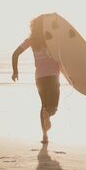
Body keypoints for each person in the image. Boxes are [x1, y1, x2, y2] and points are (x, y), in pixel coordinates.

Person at [11, 14, 61, 144]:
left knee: (44, 105)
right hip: (53, 76)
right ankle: (48, 114)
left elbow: (15, 54)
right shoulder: (51, 38)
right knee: (53, 107)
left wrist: (15, 71)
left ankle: (45, 136)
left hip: (39, 77)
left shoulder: (31, 40)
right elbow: (67, 53)